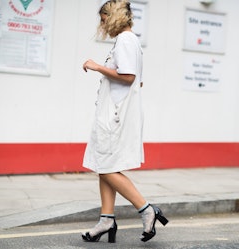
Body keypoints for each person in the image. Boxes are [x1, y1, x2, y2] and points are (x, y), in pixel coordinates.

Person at [81, 0, 168, 243]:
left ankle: (146, 209)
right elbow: (137, 81)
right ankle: (107, 219)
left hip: (115, 117)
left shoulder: (126, 40)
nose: (102, 24)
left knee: (106, 166)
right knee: (105, 165)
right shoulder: (130, 41)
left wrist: (97, 67)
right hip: (115, 114)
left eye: (103, 18)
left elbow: (129, 77)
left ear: (114, 16)